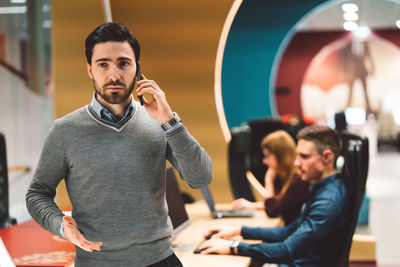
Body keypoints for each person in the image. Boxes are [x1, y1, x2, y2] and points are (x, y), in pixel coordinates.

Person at [25, 22, 213, 267]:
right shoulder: (64, 130)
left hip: (160, 260)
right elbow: (37, 193)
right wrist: (59, 223)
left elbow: (201, 178)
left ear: (137, 69)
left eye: (123, 63)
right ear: (90, 70)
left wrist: (170, 122)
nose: (113, 75)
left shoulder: (161, 122)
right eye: (103, 64)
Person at [199, 125, 351, 266]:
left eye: (304, 157)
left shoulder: (327, 202)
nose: (297, 163)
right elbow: (289, 231)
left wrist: (233, 246)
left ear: (327, 157)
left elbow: (286, 250)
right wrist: (239, 230)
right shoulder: (323, 189)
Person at [232, 130, 309, 224]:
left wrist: (268, 180)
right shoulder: (283, 177)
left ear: (280, 154)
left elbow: (272, 210)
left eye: (267, 155)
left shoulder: (297, 180)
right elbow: (277, 203)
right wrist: (252, 205)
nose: (264, 161)